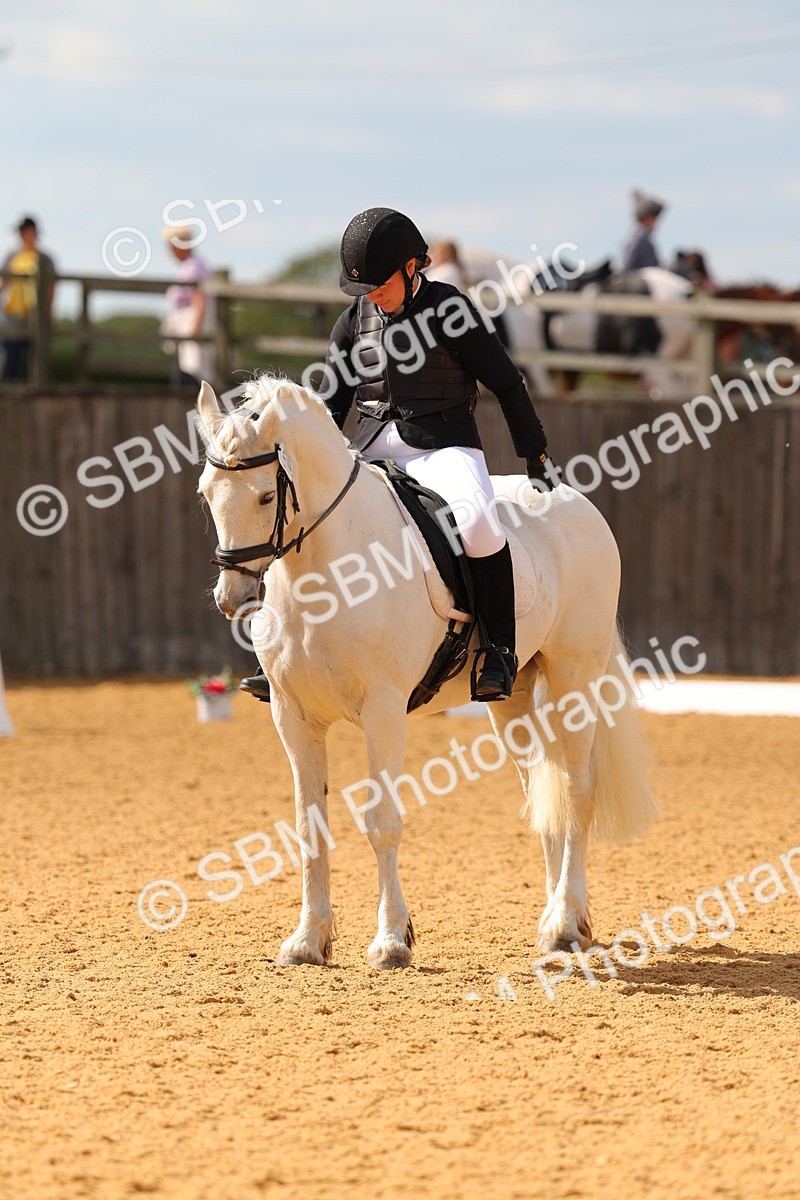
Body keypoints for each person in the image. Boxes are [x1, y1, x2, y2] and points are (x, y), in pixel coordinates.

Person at [321, 207, 559, 705]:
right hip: (368, 446)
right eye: (363, 288)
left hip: (442, 443)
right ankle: (287, 655)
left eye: (381, 283)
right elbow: (332, 405)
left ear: (412, 267)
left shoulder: (450, 309)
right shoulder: (351, 322)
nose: (372, 295)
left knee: (476, 523)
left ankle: (498, 651)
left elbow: (506, 382)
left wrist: (533, 452)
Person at [0, 216, 56, 380]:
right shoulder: (11, 256)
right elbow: (4, 283)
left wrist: (48, 312)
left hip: (35, 317)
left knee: (35, 365)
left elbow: (51, 288)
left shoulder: (45, 259)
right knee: (10, 361)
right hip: (12, 318)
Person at [160, 226, 216, 388]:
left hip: (191, 327)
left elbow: (200, 299)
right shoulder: (192, 265)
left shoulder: (194, 267)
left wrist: (193, 333)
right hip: (186, 327)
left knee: (192, 371)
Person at [620, 190, 666, 273]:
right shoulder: (640, 237)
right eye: (654, 218)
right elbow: (628, 264)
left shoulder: (640, 235)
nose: (656, 222)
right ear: (646, 218)